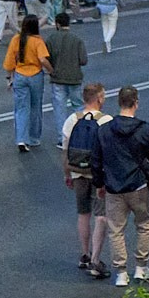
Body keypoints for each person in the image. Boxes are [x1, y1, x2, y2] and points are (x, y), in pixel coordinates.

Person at [93, 85, 149, 286]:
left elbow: (96, 160)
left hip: (114, 187)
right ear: (136, 103)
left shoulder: (104, 130)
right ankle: (141, 267)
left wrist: (99, 184)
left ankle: (121, 272)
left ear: (119, 102)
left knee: (116, 229)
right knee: (144, 224)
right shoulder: (144, 129)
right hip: (138, 186)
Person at [62, 83, 112, 277]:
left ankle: (84, 254)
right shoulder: (106, 120)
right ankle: (95, 260)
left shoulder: (72, 120)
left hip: (77, 172)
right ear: (99, 98)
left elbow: (65, 150)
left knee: (83, 214)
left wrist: (67, 174)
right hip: (98, 173)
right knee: (101, 215)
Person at [4, 15, 52, 153]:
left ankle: (21, 139)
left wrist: (9, 78)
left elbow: (9, 61)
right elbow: (42, 60)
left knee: (21, 108)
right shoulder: (37, 41)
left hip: (20, 76)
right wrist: (51, 70)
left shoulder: (16, 39)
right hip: (35, 76)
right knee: (35, 107)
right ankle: (34, 138)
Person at [46, 9, 90, 130]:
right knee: (79, 107)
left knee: (60, 109)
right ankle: (81, 134)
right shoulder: (77, 39)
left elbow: (46, 59)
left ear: (57, 24)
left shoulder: (51, 39)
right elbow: (83, 61)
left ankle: (63, 138)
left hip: (58, 79)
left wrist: (52, 71)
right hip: (75, 78)